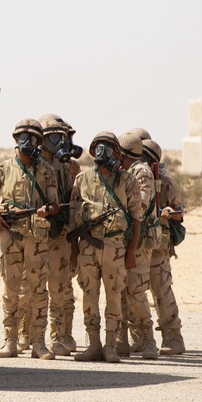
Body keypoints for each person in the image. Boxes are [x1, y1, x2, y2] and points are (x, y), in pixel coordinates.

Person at [0, 119, 60, 359]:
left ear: (39, 142)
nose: (27, 141)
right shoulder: (3, 169)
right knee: (10, 289)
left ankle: (39, 343)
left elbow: (55, 205)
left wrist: (47, 210)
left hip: (36, 236)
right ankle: (10, 341)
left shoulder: (47, 171)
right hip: (10, 235)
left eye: (33, 137)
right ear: (15, 139)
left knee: (37, 289)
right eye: (23, 136)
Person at [69, 131, 143, 363]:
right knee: (89, 296)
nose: (103, 153)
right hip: (87, 247)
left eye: (109, 148)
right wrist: (73, 251)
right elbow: (73, 218)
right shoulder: (82, 179)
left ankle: (110, 346)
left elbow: (137, 217)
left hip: (115, 246)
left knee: (113, 296)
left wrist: (131, 250)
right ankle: (93, 345)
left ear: (116, 153)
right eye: (99, 148)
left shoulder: (127, 181)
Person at [36, 114, 79, 356]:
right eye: (53, 136)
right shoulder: (31, 165)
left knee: (62, 287)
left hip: (60, 233)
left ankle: (62, 335)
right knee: (32, 286)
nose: (59, 142)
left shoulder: (65, 165)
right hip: (37, 233)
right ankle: (29, 336)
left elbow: (73, 197)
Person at [142, 139, 187, 354]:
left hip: (159, 244)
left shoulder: (165, 180)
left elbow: (179, 214)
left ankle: (173, 338)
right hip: (139, 243)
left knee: (161, 289)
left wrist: (168, 213)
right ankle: (139, 338)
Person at [117, 132, 158, 359]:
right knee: (121, 291)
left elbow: (140, 204)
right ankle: (123, 340)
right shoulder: (124, 172)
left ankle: (148, 340)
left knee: (136, 291)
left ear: (125, 154)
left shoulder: (141, 172)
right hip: (124, 238)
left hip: (139, 240)